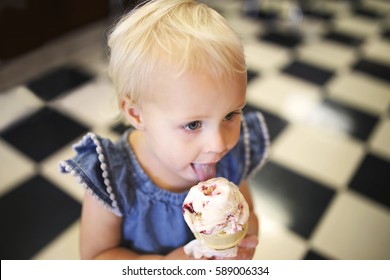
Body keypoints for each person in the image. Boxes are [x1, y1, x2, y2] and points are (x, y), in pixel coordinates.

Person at [59, 0, 269, 260]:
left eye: (230, 114)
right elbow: (96, 258)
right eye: (193, 124)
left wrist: (242, 244)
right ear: (137, 113)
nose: (219, 144)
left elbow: (248, 214)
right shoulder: (113, 178)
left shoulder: (232, 160)